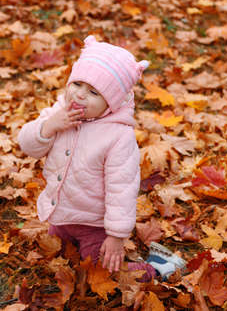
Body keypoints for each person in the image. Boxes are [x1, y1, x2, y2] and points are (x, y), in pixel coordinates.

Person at [18, 35, 185, 281]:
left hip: (94, 224)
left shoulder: (118, 136)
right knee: (56, 254)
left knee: (103, 271)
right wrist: (49, 126)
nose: (80, 96)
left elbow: (122, 189)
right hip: (62, 214)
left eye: (94, 92)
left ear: (111, 103)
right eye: (77, 84)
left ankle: (159, 268)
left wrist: (116, 235)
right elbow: (27, 145)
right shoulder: (58, 113)